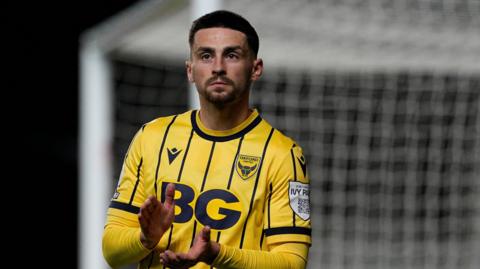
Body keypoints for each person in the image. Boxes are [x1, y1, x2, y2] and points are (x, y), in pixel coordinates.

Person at [102, 10, 311, 269]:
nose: (218, 67)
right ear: (190, 70)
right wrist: (145, 238)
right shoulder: (152, 138)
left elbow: (292, 263)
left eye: (232, 55)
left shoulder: (282, 154)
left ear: (255, 68)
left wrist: (216, 254)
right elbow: (111, 251)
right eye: (206, 55)